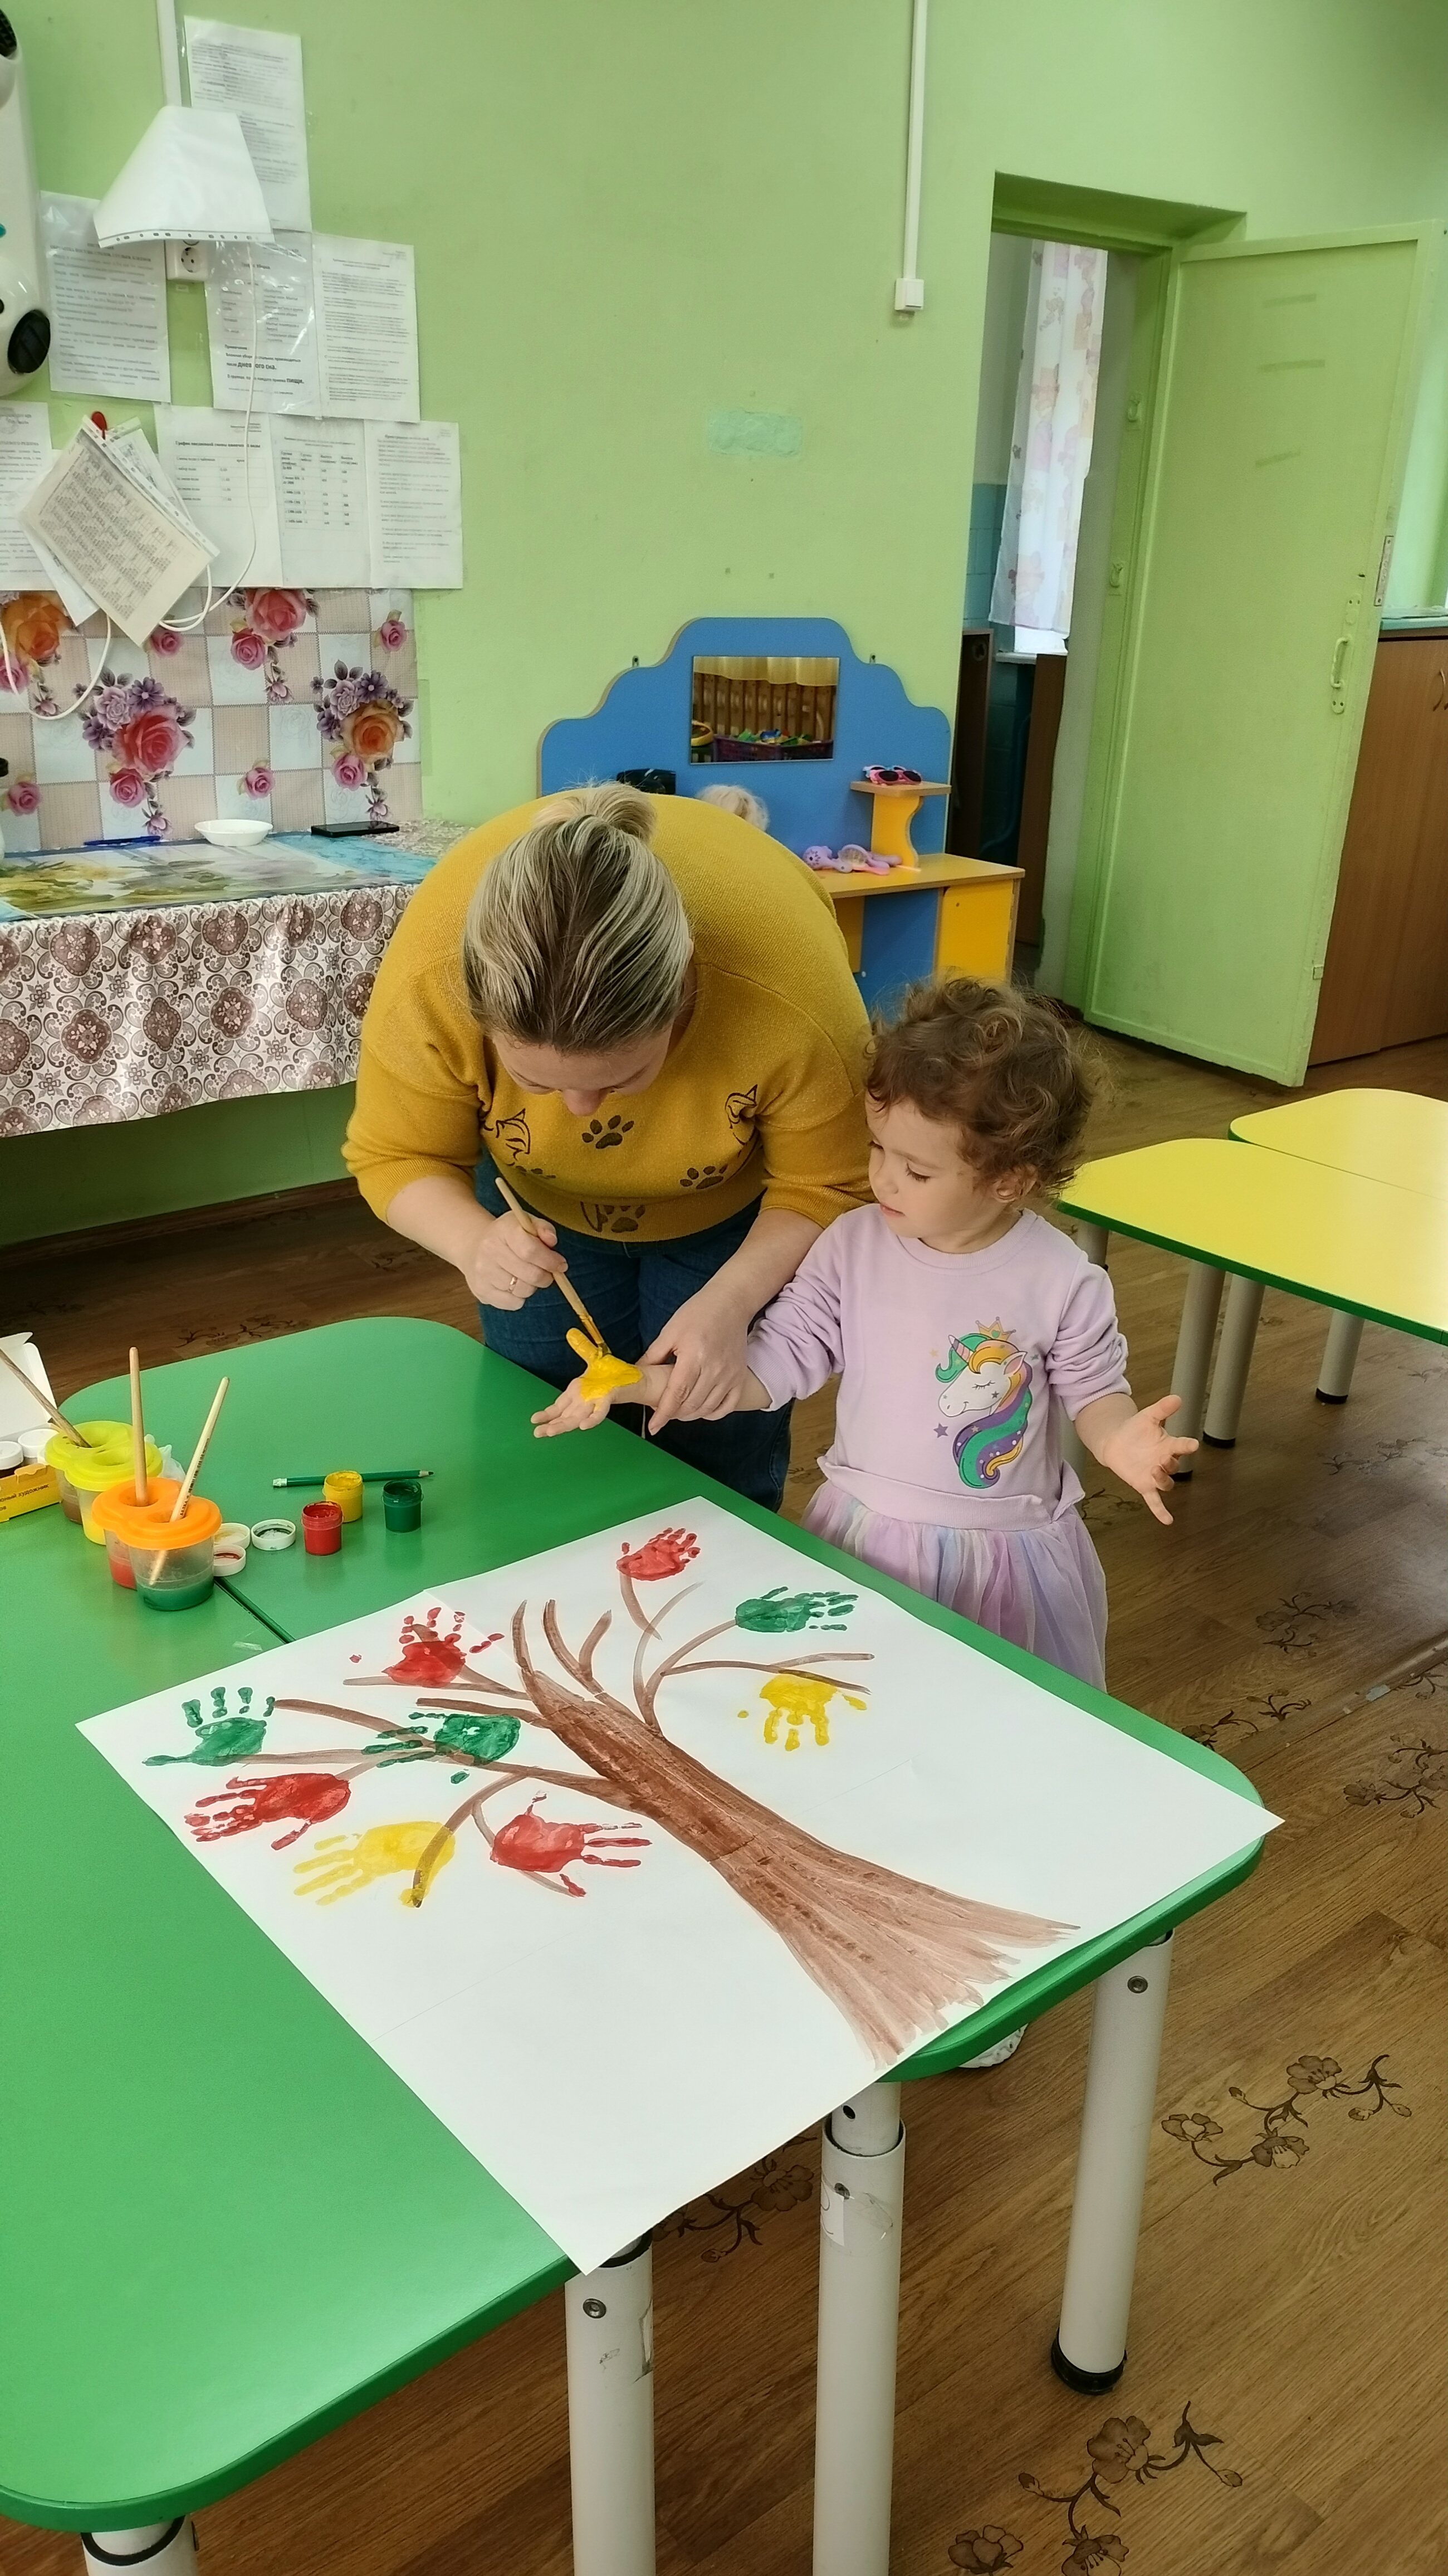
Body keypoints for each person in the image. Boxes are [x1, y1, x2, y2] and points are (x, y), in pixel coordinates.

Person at [344, 783, 870, 1509]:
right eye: (535, 1082)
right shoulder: (429, 979)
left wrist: (733, 1300)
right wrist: (473, 1243)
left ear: (682, 991)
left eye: (622, 1080)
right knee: (544, 1424)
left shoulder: (790, 997)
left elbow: (829, 1184)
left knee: (716, 1426)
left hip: (734, 1217)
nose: (580, 1111)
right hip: (535, 1211)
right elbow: (398, 1155)